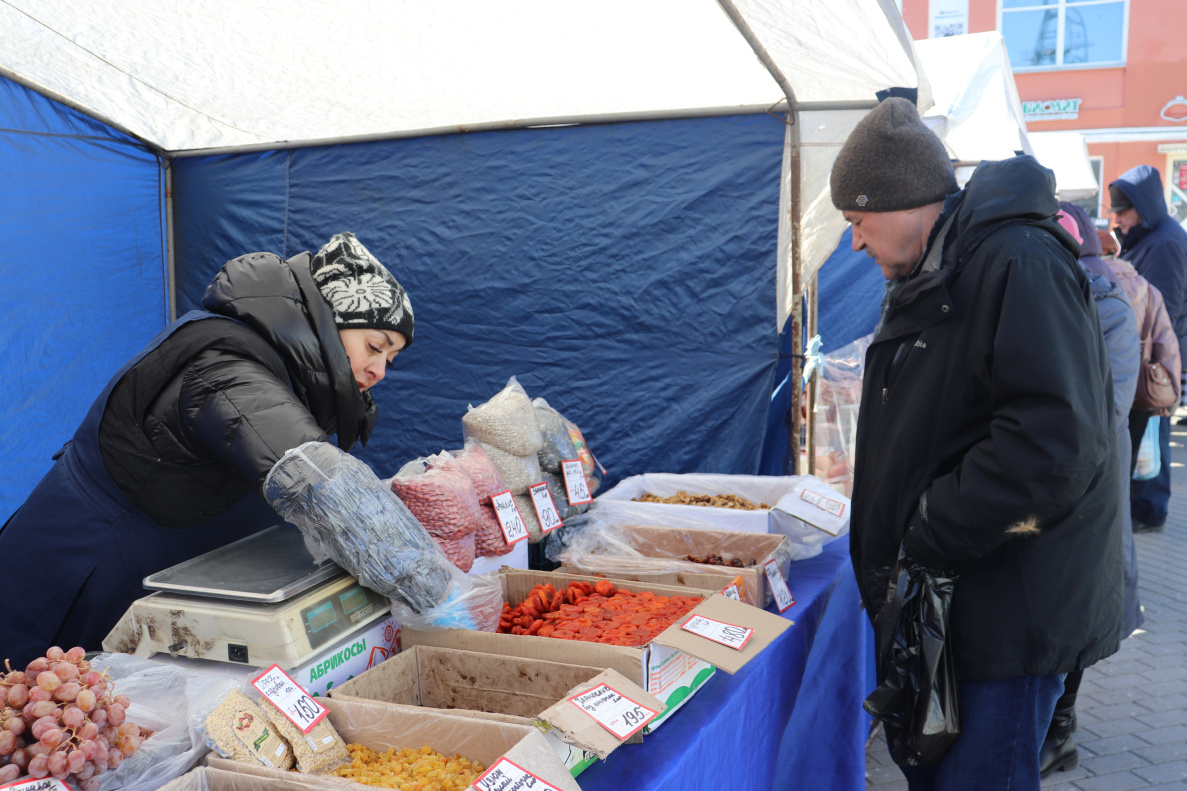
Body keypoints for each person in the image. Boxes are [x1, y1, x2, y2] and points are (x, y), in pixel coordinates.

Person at [832, 98, 1123, 791]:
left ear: (901, 201)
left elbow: (1052, 444)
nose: (855, 243)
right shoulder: (947, 266)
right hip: (964, 603)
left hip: (1006, 614)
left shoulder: (1016, 262)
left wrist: (928, 526)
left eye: (856, 221)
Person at [0, 232, 414, 666]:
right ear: (328, 319)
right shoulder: (226, 366)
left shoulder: (294, 379)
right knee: (28, 689)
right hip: (77, 569)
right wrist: (429, 588)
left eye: (391, 359)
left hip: (149, 578)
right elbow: (315, 479)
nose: (379, 371)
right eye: (374, 347)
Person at [1035, 205, 1146, 776]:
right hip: (1048, 479)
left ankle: (1061, 729)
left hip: (1091, 484)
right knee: (1052, 604)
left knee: (1080, 602)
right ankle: (1048, 720)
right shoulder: (1041, 299)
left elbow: (1105, 410)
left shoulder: (1107, 306)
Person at [1109, 166, 1187, 530]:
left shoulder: (1166, 242)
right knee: (1150, 436)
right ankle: (1147, 507)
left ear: (1142, 206)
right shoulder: (1153, 236)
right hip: (1153, 356)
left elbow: (1164, 310)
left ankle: (1150, 510)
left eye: (1123, 211)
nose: (1118, 219)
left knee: (1153, 435)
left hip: (1157, 360)